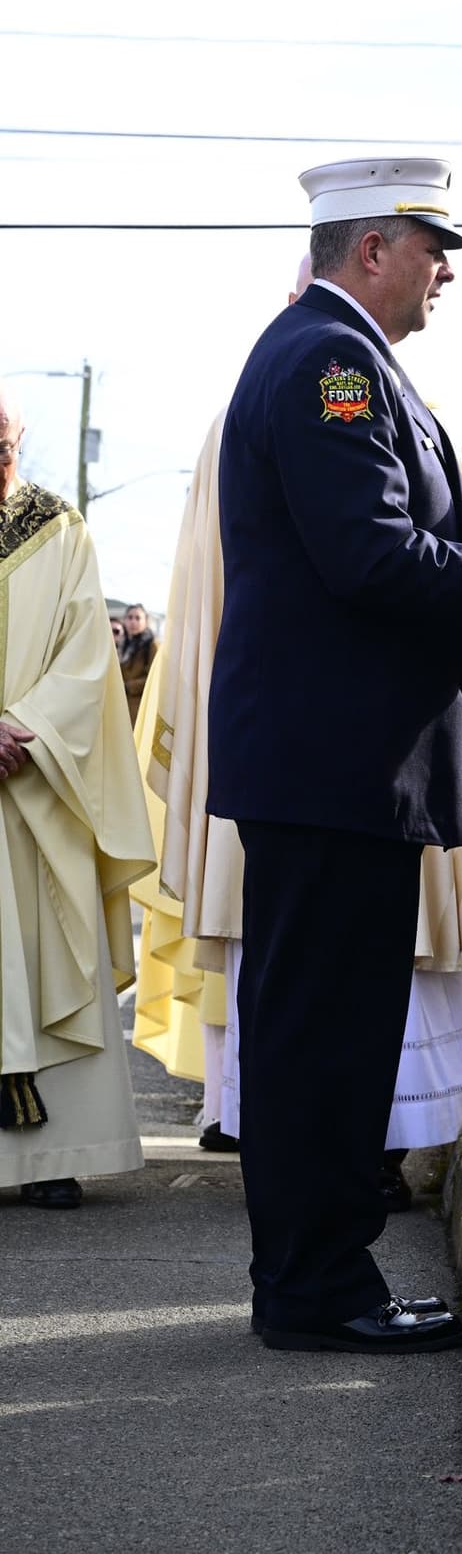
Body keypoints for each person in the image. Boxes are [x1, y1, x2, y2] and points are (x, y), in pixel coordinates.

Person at [206, 157, 462, 1355]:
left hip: (334, 760)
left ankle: (317, 1276)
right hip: (336, 763)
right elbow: (370, 554)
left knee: (327, 1031)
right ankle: (317, 1287)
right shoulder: (329, 363)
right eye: (432, 246)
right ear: (371, 246)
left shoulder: (340, 356)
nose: (445, 270)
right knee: (321, 1038)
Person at [0, 385, 154, 1210]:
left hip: (32, 779)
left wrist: (19, 727)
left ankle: (49, 1153)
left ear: (19, 444)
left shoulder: (60, 530)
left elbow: (89, 658)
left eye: (3, 447)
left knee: (43, 956)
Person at [117, 602, 158, 725]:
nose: (133, 622)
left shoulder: (152, 646)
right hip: (122, 706)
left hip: (140, 707)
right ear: (124, 621)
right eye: (130, 617)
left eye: (138, 618)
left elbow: (154, 678)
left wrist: (128, 686)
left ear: (146, 621)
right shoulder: (121, 645)